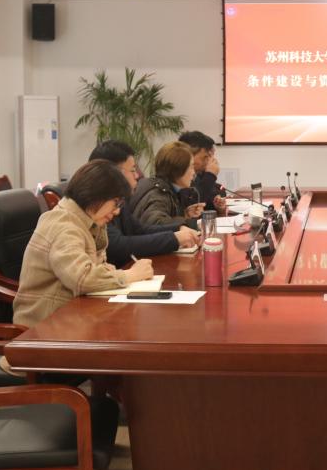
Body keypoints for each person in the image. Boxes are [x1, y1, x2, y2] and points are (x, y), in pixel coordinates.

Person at [10, 159, 154, 331]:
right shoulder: (63, 225)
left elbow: (97, 267)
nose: (117, 211)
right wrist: (130, 275)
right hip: (43, 329)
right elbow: (82, 279)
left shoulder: (87, 221)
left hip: (72, 317)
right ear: (95, 196)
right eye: (116, 203)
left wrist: (115, 274)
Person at [88, 139, 200, 265]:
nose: (137, 176)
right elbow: (117, 245)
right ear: (113, 172)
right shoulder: (95, 203)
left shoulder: (119, 200)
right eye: (132, 170)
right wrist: (174, 238)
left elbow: (139, 229)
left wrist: (178, 228)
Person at [130, 141, 206, 227]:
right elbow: (155, 223)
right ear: (178, 169)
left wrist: (185, 215)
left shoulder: (166, 188)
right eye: (191, 167)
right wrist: (188, 223)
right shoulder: (158, 194)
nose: (194, 173)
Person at [178, 131, 227, 214]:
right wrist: (210, 175)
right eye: (205, 157)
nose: (209, 160)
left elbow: (212, 194)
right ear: (188, 155)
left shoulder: (197, 174)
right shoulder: (179, 178)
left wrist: (217, 205)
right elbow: (192, 204)